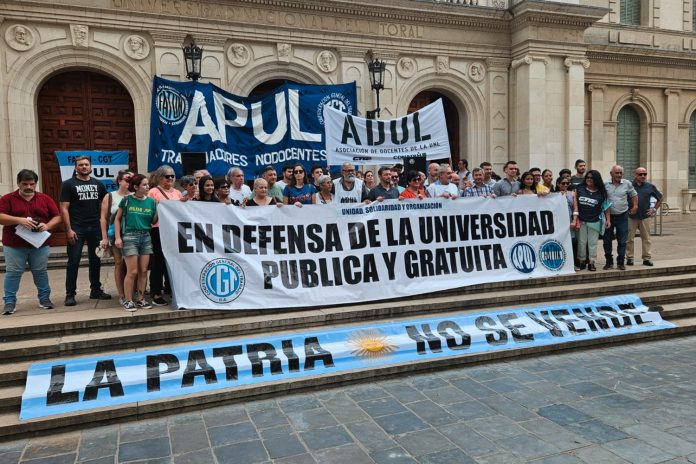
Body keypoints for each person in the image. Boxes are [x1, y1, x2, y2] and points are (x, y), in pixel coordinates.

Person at [0, 170, 62, 314]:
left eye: (32, 184)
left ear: (35, 184)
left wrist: (47, 226)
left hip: (40, 244)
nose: (28, 187)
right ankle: (9, 303)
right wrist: (18, 220)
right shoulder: (8, 199)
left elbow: (57, 217)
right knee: (13, 273)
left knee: (40, 272)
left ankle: (45, 299)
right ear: (18, 183)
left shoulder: (45, 199)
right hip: (14, 244)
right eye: (25, 184)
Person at [59, 156, 110, 306]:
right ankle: (70, 294)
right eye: (80, 165)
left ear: (90, 167)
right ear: (75, 168)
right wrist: (68, 230)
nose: (84, 167)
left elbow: (105, 205)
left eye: (86, 164)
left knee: (96, 260)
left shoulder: (98, 184)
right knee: (73, 261)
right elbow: (64, 208)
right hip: (77, 229)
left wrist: (104, 228)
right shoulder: (68, 184)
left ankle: (95, 290)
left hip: (95, 228)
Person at [114, 174, 157, 312]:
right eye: (144, 185)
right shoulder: (127, 200)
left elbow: (153, 221)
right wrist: (118, 238)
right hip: (130, 236)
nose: (147, 187)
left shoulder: (151, 201)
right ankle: (128, 300)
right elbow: (117, 219)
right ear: (136, 187)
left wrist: (161, 210)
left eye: (148, 184)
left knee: (143, 271)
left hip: (146, 236)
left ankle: (141, 299)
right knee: (132, 271)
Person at [148, 165, 182, 306]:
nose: (170, 179)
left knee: (175, 260)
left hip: (175, 230)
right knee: (159, 261)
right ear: (159, 177)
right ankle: (156, 292)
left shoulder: (178, 193)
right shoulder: (153, 192)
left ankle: (170, 288)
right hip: (158, 229)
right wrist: (161, 207)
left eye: (172, 176)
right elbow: (150, 215)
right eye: (167, 176)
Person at [99, 169, 132, 306]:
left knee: (131, 266)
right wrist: (105, 238)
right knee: (119, 263)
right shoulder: (110, 196)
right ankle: (122, 294)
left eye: (132, 179)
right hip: (115, 235)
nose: (130, 182)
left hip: (132, 234)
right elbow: (103, 218)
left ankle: (132, 291)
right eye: (127, 179)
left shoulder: (135, 196)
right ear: (119, 181)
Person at [574, 170, 610, 272]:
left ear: (597, 179)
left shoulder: (601, 192)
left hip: (595, 221)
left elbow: (606, 207)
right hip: (581, 221)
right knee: (581, 242)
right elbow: (573, 200)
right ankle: (581, 262)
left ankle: (591, 262)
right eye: (588, 177)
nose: (589, 179)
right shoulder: (580, 188)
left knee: (592, 243)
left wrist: (608, 220)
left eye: (592, 178)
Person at [603, 165, 638, 271]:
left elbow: (634, 195)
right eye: (616, 173)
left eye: (620, 173)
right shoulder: (605, 184)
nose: (619, 175)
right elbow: (603, 199)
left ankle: (620, 262)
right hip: (608, 216)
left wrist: (635, 206)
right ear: (611, 174)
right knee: (607, 240)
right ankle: (609, 262)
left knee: (622, 241)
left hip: (622, 216)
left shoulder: (627, 183)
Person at [627, 167, 662, 267]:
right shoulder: (629, 186)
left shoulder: (650, 186)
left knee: (646, 238)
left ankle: (647, 258)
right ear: (635, 175)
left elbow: (660, 198)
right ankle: (630, 258)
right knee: (629, 238)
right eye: (640, 174)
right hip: (631, 216)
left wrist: (654, 209)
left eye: (644, 174)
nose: (643, 176)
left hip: (645, 216)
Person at [557, 176, 579, 269]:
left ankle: (571, 264)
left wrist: (574, 220)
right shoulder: (554, 194)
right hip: (558, 222)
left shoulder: (572, 194)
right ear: (558, 184)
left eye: (567, 183)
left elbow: (575, 208)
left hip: (569, 220)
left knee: (571, 242)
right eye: (563, 183)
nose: (565, 185)